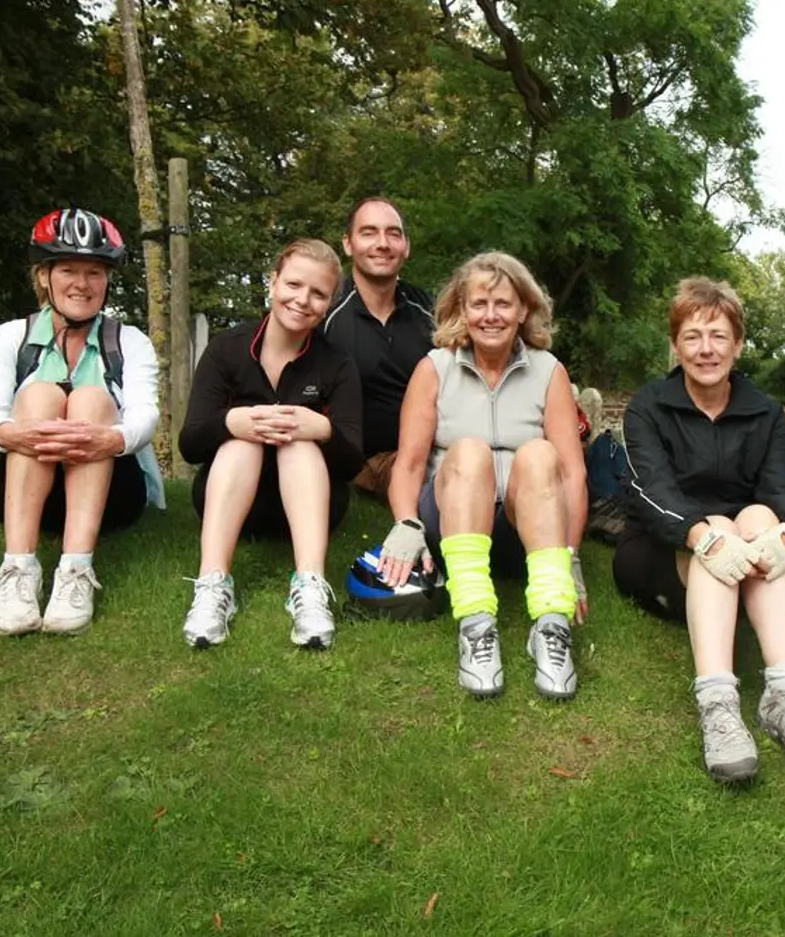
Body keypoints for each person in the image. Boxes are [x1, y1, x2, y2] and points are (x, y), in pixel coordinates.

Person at [611, 277, 785, 784]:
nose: (705, 349)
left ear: (737, 344)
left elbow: (782, 485)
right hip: (662, 552)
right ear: (675, 345)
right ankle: (718, 705)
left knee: (761, 518)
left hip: (746, 554)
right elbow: (651, 493)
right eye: (692, 336)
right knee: (716, 524)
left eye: (717, 335)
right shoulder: (648, 406)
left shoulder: (765, 410)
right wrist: (701, 535)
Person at [380, 252, 588, 699]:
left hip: (527, 530)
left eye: (503, 304)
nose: (491, 315)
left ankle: (551, 626)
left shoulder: (549, 370)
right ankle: (476, 626)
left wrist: (570, 554)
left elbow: (571, 472)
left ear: (523, 310)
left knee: (537, 454)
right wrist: (405, 523)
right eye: (479, 303)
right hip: (452, 523)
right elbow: (410, 463)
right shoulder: (433, 368)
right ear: (461, 309)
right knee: (470, 450)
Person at [0, 207, 165, 636]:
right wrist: (15, 432)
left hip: (112, 493)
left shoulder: (130, 341)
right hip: (19, 487)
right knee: (38, 394)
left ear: (108, 279)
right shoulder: (8, 336)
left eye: (95, 272)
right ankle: (17, 569)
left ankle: (76, 571)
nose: (82, 284)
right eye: (69, 270)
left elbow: (146, 415)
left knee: (92, 399)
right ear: (43, 277)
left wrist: (108, 440)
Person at [178, 239, 365, 650]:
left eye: (318, 294)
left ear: (331, 302)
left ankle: (311, 588)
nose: (303, 300)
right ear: (273, 282)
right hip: (228, 500)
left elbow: (353, 461)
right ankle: (212, 586)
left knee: (298, 442)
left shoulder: (338, 363)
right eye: (294, 285)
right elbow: (190, 445)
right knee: (241, 440)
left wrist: (322, 429)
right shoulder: (226, 349)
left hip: (313, 505)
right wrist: (231, 421)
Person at [321, 197, 434, 499]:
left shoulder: (432, 311)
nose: (382, 243)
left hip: (436, 449)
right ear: (348, 244)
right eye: (369, 232)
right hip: (368, 461)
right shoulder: (323, 312)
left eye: (393, 233)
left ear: (406, 246)